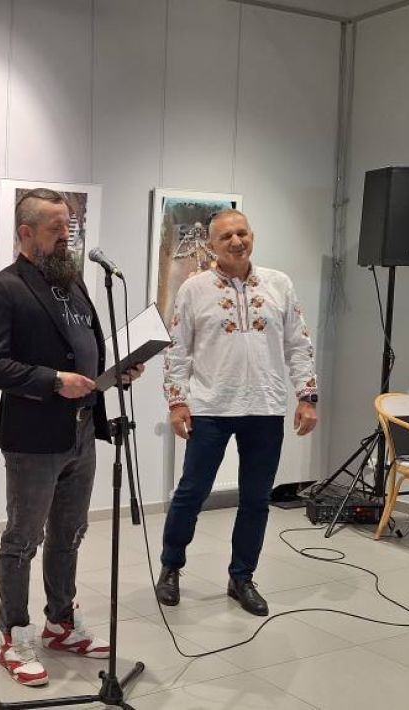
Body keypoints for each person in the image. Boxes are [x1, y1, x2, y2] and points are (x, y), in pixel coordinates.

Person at [0, 188, 143, 687]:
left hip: (83, 430)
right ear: (26, 234)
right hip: (33, 436)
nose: (67, 237)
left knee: (70, 534)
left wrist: (116, 371)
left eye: (69, 227)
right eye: (56, 229)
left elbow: (86, 348)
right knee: (23, 539)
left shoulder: (76, 285)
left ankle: (61, 623)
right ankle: (14, 635)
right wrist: (53, 381)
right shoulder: (3, 289)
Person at [155, 209, 319, 617]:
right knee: (191, 493)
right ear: (211, 244)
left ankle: (242, 577)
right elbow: (177, 350)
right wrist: (177, 402)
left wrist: (307, 396)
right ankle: (171, 567)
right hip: (210, 408)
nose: (235, 241)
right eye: (226, 236)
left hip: (265, 407)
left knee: (256, 500)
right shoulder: (194, 289)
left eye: (242, 233)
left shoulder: (279, 284)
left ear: (252, 236)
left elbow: (298, 344)